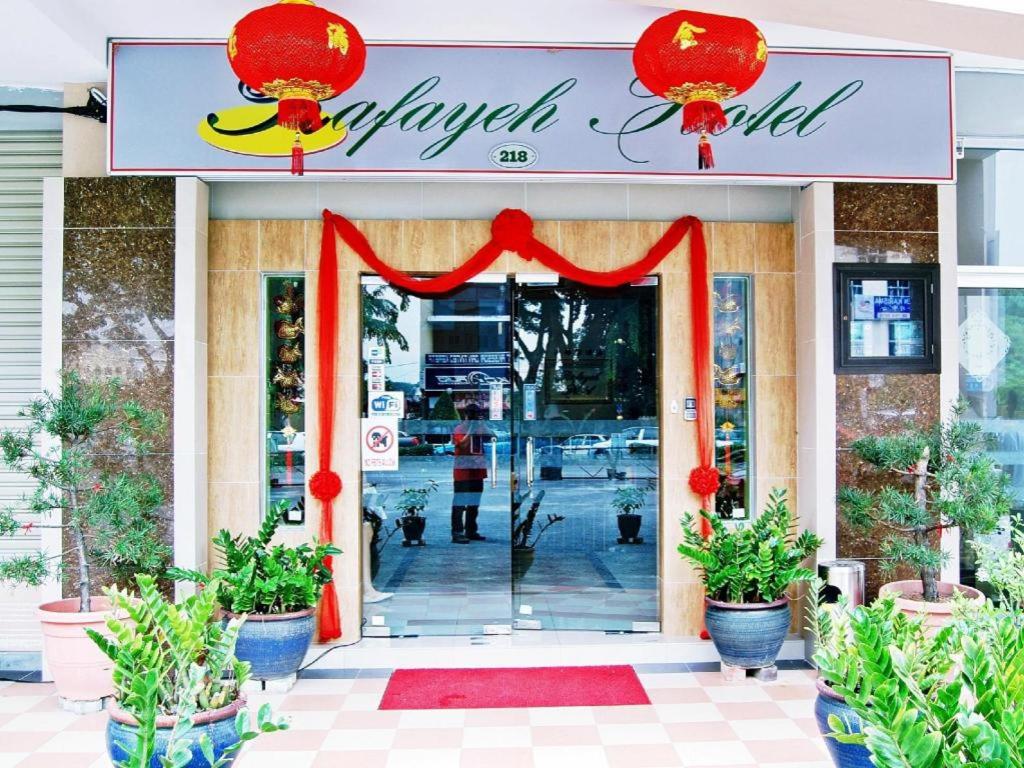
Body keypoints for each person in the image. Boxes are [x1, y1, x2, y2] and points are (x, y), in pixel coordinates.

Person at [451, 402, 491, 543]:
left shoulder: (480, 427)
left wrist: (482, 425)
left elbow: (491, 437)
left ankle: (471, 530)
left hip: (477, 470)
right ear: (466, 415)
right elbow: (462, 444)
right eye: (473, 415)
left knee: (474, 503)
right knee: (460, 503)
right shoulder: (459, 428)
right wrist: (470, 430)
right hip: (463, 471)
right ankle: (457, 532)